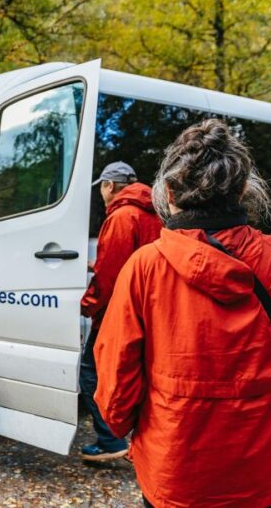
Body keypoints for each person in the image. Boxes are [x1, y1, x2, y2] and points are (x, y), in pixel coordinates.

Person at [94, 119, 271, 507]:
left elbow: (117, 372)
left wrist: (123, 426)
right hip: (259, 470)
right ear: (241, 190)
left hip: (174, 470)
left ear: (169, 192)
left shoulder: (145, 267)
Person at [79, 161, 162, 461]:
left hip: (118, 312)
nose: (101, 194)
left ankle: (111, 440)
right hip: (149, 310)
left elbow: (111, 279)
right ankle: (143, 441)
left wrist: (87, 305)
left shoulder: (121, 217)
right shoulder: (154, 213)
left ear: (109, 186)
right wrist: (99, 266)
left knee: (90, 374)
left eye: (101, 187)